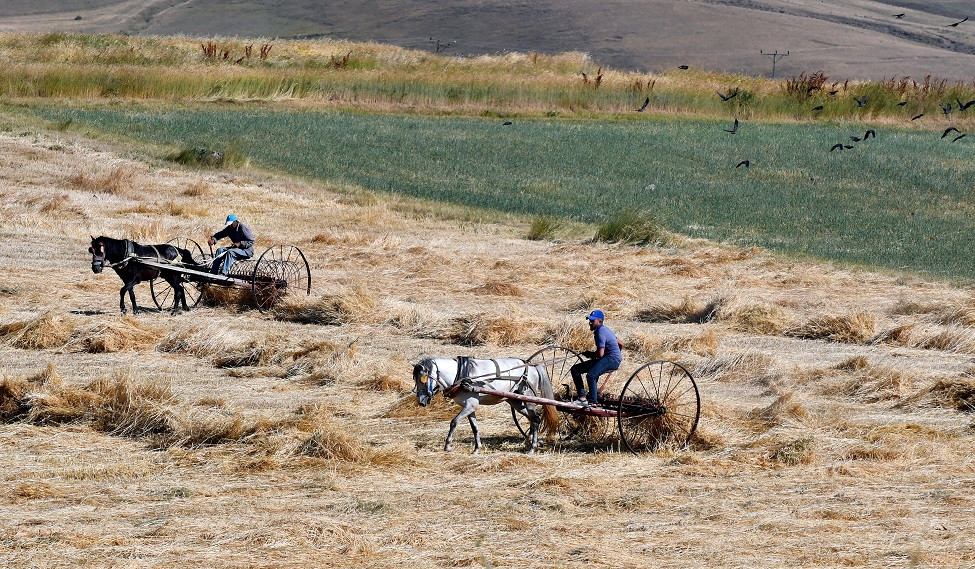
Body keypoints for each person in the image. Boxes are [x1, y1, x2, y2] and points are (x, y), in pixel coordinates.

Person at [570, 309, 623, 406]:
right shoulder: (606, 330)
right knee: (575, 369)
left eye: (592, 321)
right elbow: (621, 343)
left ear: (599, 321)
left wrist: (590, 354)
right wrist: (617, 353)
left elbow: (600, 354)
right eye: (589, 320)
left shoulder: (600, 332)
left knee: (591, 375)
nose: (590, 323)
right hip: (609, 358)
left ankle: (592, 401)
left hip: (611, 359)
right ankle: (581, 397)